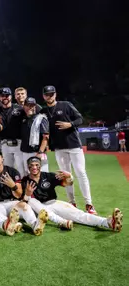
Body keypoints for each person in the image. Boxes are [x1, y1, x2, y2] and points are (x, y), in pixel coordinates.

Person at [21, 156, 122, 232]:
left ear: (40, 166)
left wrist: (69, 176)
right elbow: (23, 202)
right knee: (32, 200)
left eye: (36, 165)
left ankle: (108, 223)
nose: (34, 167)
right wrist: (27, 194)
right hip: (37, 209)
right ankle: (62, 222)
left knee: (79, 214)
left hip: (52, 203)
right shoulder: (24, 181)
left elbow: (67, 183)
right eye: (31, 165)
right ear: (28, 167)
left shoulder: (48, 176)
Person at [41, 85, 96, 214]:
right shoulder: (43, 111)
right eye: (47, 94)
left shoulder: (65, 105)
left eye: (51, 94)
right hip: (59, 148)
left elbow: (80, 119)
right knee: (66, 176)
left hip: (74, 145)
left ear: (55, 94)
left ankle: (89, 204)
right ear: (43, 96)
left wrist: (70, 124)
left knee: (81, 173)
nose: (49, 96)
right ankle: (72, 203)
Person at [0, 147, 48, 236]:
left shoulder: (12, 172)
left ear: (2, 159)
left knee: (24, 205)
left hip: (13, 205)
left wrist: (13, 186)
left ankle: (35, 225)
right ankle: (9, 224)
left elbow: (19, 195)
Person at [0, 87, 25, 176]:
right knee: (7, 170)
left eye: (7, 95)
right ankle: (9, 189)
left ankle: (24, 189)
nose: (5, 97)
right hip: (4, 144)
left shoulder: (19, 109)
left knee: (22, 169)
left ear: (11, 96)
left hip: (18, 143)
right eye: (2, 96)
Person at [20, 97, 49, 174]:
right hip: (25, 152)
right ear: (24, 106)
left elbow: (45, 137)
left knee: (42, 175)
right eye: (27, 105)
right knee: (29, 176)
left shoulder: (41, 118)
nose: (30, 107)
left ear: (35, 106)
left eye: (32, 105)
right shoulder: (23, 119)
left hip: (37, 152)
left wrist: (40, 152)